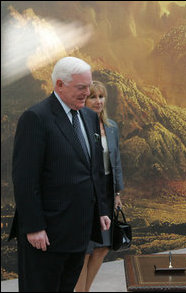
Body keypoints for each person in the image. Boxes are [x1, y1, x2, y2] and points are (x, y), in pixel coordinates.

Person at [8, 56, 111, 292]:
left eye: (89, 85)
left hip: (78, 232)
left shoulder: (88, 116)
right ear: (59, 85)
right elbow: (25, 178)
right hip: (46, 235)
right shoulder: (36, 118)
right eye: (81, 87)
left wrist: (102, 209)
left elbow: (93, 168)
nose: (87, 92)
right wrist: (34, 227)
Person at [75, 81, 124, 292]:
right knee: (85, 250)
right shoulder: (78, 127)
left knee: (103, 247)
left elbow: (117, 161)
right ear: (84, 100)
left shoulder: (112, 127)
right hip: (85, 193)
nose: (98, 101)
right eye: (93, 97)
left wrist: (118, 192)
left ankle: (84, 290)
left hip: (106, 192)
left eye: (101, 97)